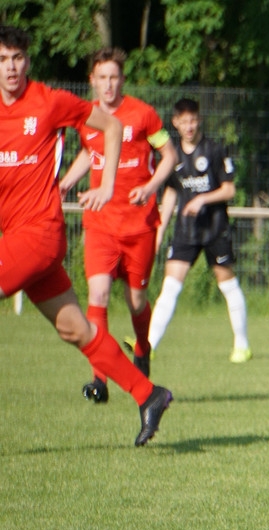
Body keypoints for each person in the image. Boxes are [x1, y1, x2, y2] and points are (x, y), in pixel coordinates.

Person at [0, 25, 171, 446]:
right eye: (3, 59)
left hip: (40, 235)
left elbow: (110, 128)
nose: (11, 68)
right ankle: (149, 394)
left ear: (28, 61)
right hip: (20, 239)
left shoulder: (49, 102)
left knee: (119, 304)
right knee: (76, 329)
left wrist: (108, 182)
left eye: (18, 58)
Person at [59, 47, 178, 402]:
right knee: (97, 295)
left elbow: (169, 156)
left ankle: (142, 348)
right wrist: (66, 181)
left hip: (139, 225)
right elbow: (88, 151)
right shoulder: (87, 116)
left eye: (115, 78)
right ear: (91, 81)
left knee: (136, 301)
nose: (108, 85)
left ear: (122, 80)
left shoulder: (143, 115)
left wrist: (151, 186)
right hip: (100, 224)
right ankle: (100, 379)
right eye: (102, 78)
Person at [146, 98, 251, 363]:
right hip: (185, 232)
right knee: (169, 287)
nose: (189, 126)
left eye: (193, 120)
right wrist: (159, 230)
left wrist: (202, 199)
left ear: (199, 120)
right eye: (184, 121)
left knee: (227, 285)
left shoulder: (214, 150)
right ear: (176, 123)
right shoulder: (173, 156)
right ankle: (148, 346)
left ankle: (242, 345)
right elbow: (170, 193)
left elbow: (229, 189)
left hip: (215, 229)